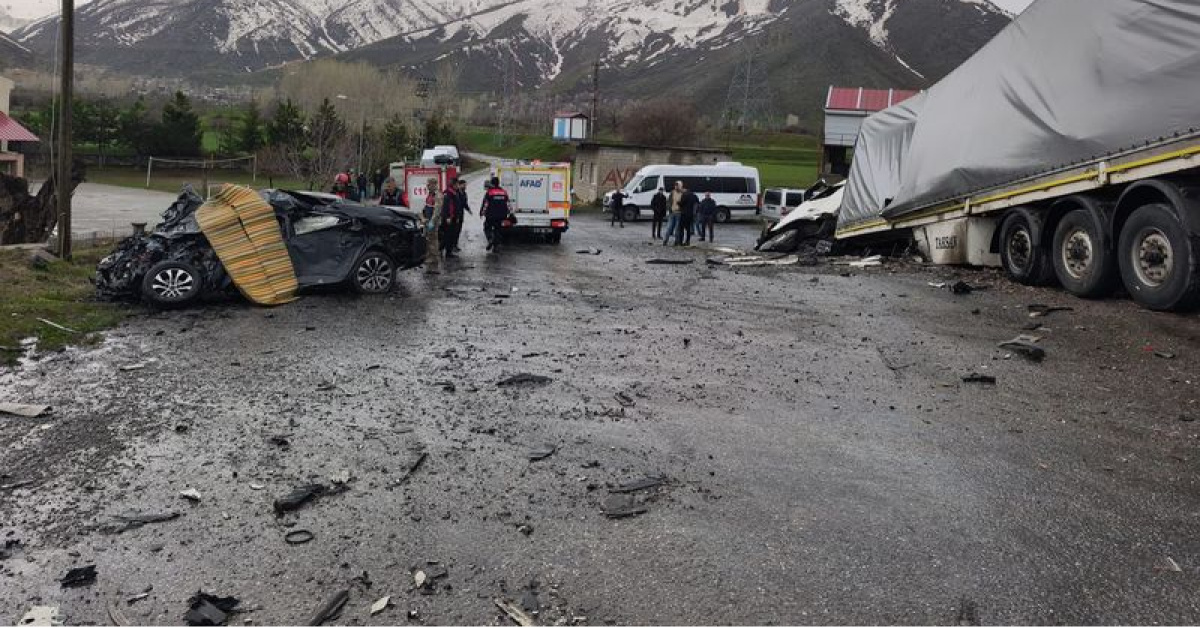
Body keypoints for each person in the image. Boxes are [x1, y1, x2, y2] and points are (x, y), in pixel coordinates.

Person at [481, 176, 511, 253]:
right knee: (498, 230)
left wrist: (482, 212)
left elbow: (486, 204)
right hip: (501, 215)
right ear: (498, 183)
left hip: (491, 215)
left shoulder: (490, 192)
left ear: (492, 183)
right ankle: (496, 247)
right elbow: (508, 204)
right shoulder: (504, 192)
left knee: (487, 228)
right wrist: (510, 213)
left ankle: (490, 239)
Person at [422, 177, 443, 274]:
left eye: (429, 184)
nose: (427, 186)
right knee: (428, 243)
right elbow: (426, 207)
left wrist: (432, 222)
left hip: (433, 224)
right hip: (427, 221)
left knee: (433, 244)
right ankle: (429, 264)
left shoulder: (438, 195)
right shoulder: (430, 195)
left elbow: (437, 211)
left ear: (434, 184)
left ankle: (434, 266)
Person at [439, 177, 461, 259]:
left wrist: (457, 216)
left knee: (450, 235)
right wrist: (448, 217)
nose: (458, 186)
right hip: (449, 218)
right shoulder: (448, 193)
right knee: (448, 235)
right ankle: (445, 251)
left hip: (453, 217)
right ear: (454, 184)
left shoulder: (454, 192)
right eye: (457, 184)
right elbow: (447, 206)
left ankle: (446, 250)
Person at [452, 178, 471, 253]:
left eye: (465, 185)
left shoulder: (464, 193)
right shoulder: (456, 193)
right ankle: (452, 246)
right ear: (459, 185)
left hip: (460, 215)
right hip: (455, 215)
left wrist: (468, 210)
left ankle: (455, 245)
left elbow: (464, 203)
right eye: (464, 185)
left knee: (458, 231)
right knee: (454, 231)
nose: (465, 186)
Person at [662, 181, 684, 246]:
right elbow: (668, 202)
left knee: (677, 229)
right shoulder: (672, 193)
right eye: (675, 186)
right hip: (672, 212)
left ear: (680, 186)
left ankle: (676, 241)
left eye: (678, 186)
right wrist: (669, 209)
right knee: (669, 227)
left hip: (679, 213)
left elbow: (684, 203)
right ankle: (665, 240)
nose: (676, 187)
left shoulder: (682, 193)